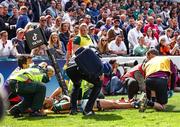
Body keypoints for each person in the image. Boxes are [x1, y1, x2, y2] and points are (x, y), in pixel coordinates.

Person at [66, 47, 103, 116]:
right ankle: (87, 110)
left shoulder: (82, 50)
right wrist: (99, 75)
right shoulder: (93, 55)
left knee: (76, 85)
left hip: (70, 70)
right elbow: (98, 72)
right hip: (79, 69)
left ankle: (73, 110)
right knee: (98, 84)